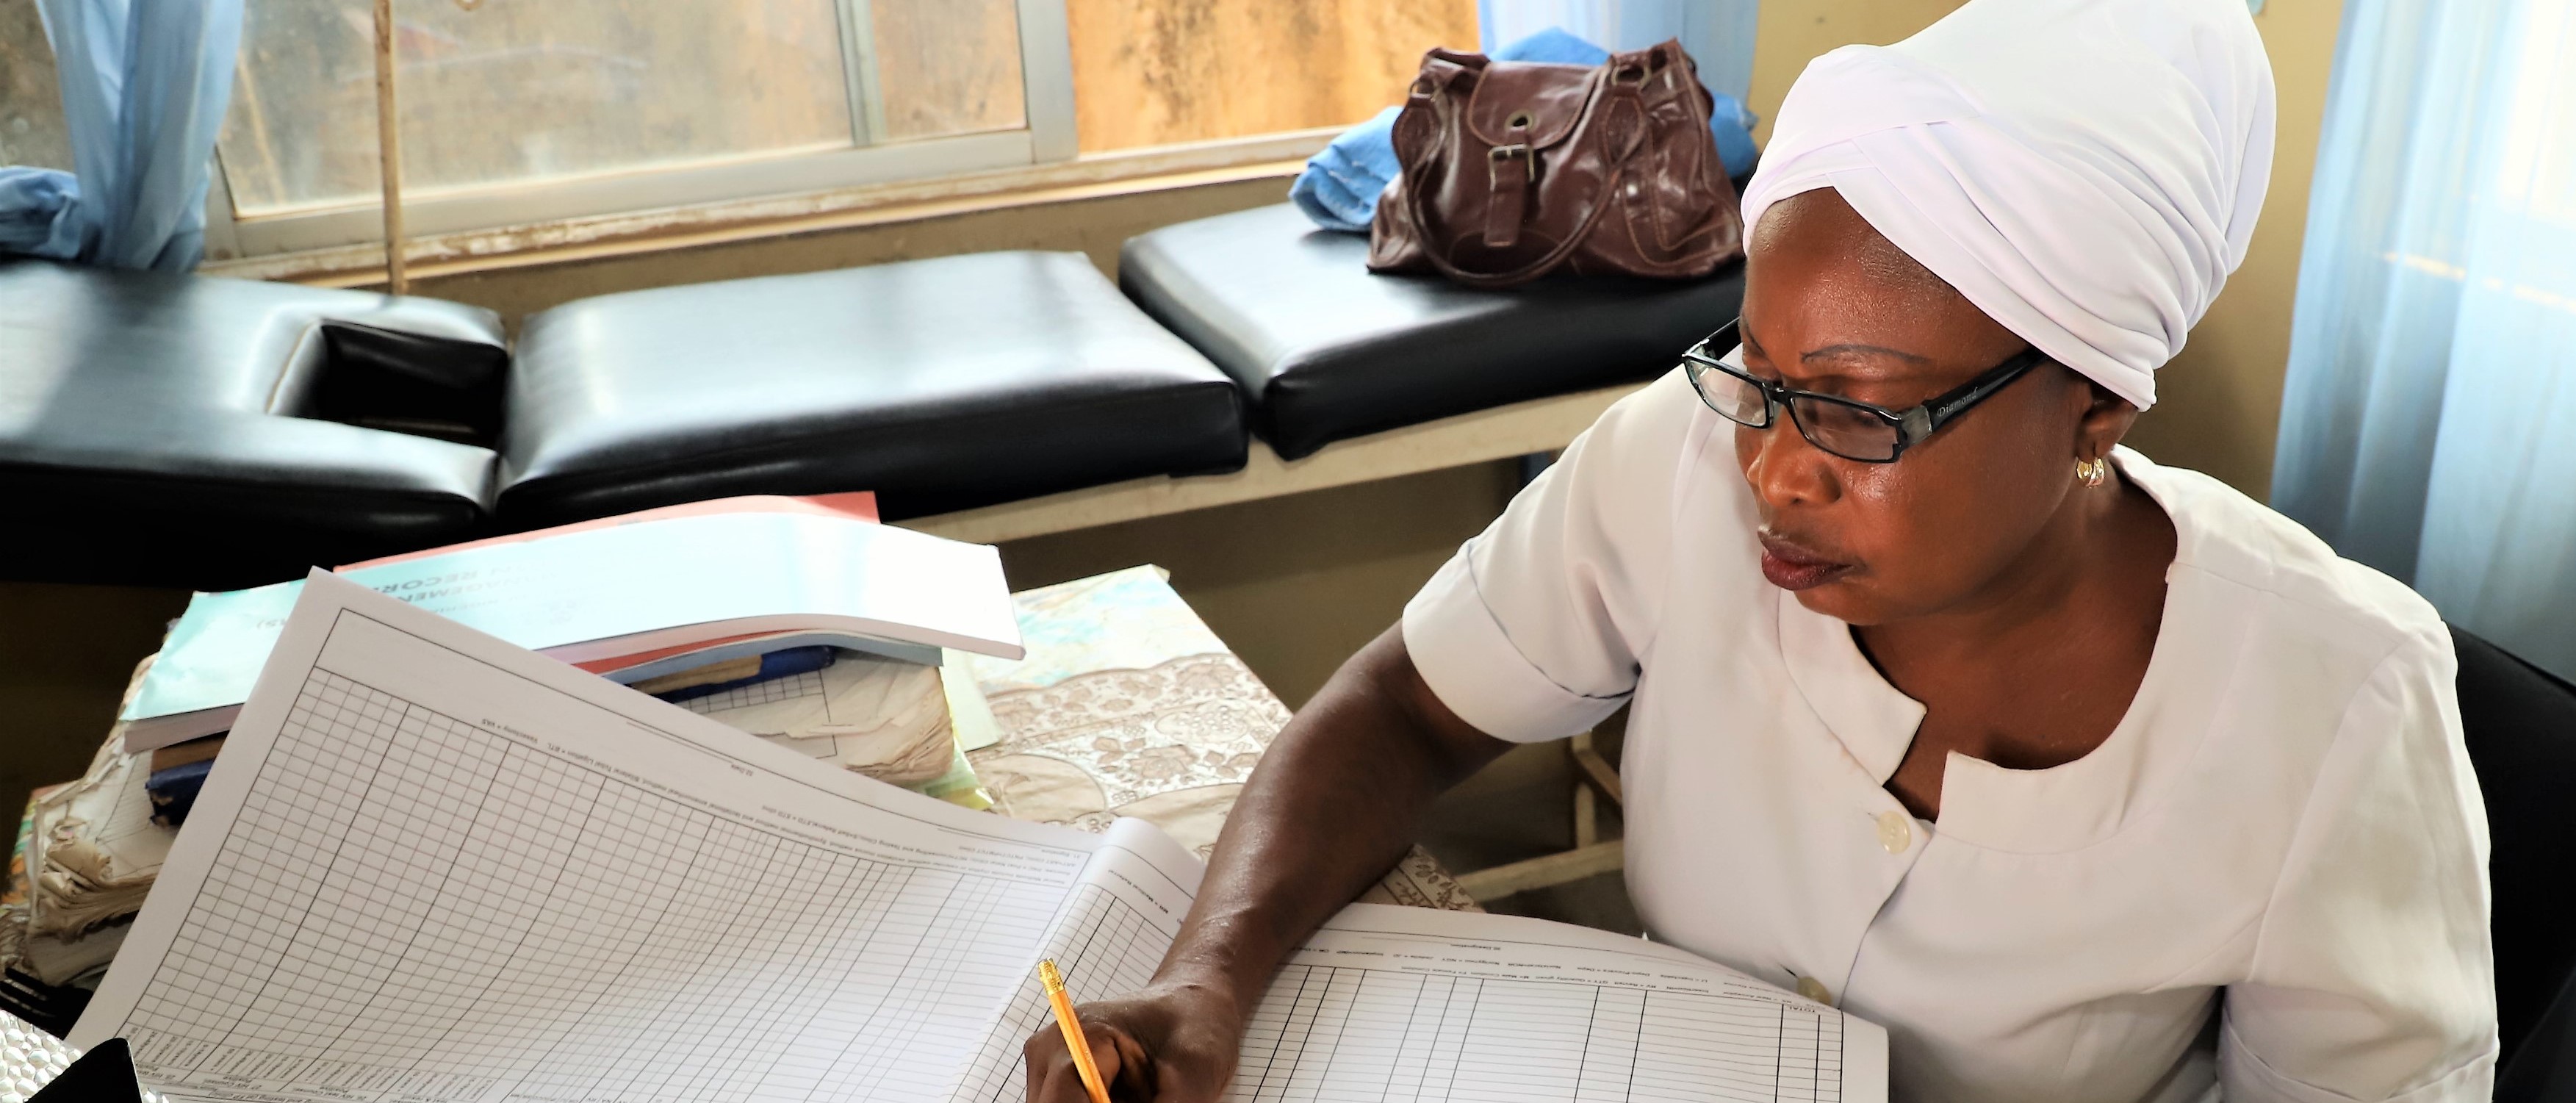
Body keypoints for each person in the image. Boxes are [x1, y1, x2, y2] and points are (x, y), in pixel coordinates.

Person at [1023, 0, 2497, 1097]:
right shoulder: (1683, 456)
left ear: (2092, 399)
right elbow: (1403, 707)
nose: (1776, 470)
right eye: (1763, 374)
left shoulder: (2334, 707)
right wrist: (1206, 983)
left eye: (1859, 410)